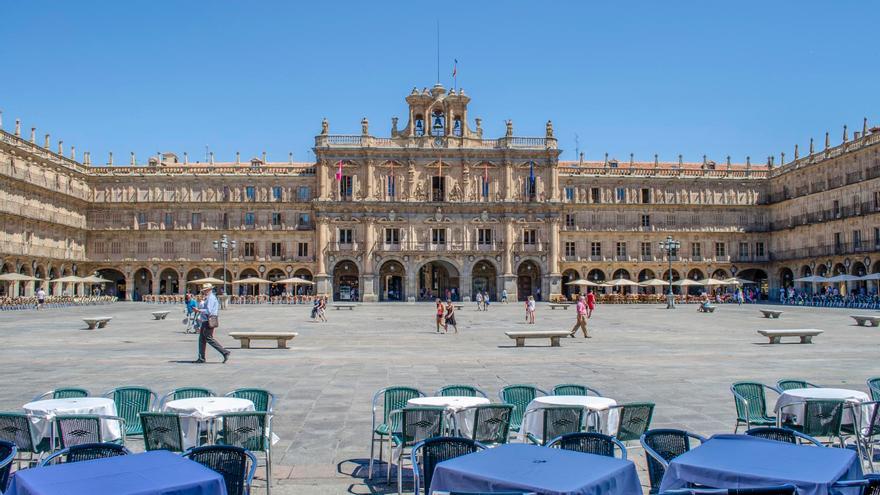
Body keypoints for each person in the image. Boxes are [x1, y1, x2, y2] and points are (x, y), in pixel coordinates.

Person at [193, 283, 230, 364]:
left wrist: (199, 310)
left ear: (209, 290)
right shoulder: (208, 297)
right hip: (205, 320)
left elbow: (209, 311)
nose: (204, 291)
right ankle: (201, 358)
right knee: (202, 340)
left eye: (205, 290)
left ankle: (224, 352)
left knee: (209, 338)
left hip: (208, 320)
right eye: (204, 290)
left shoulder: (211, 298)